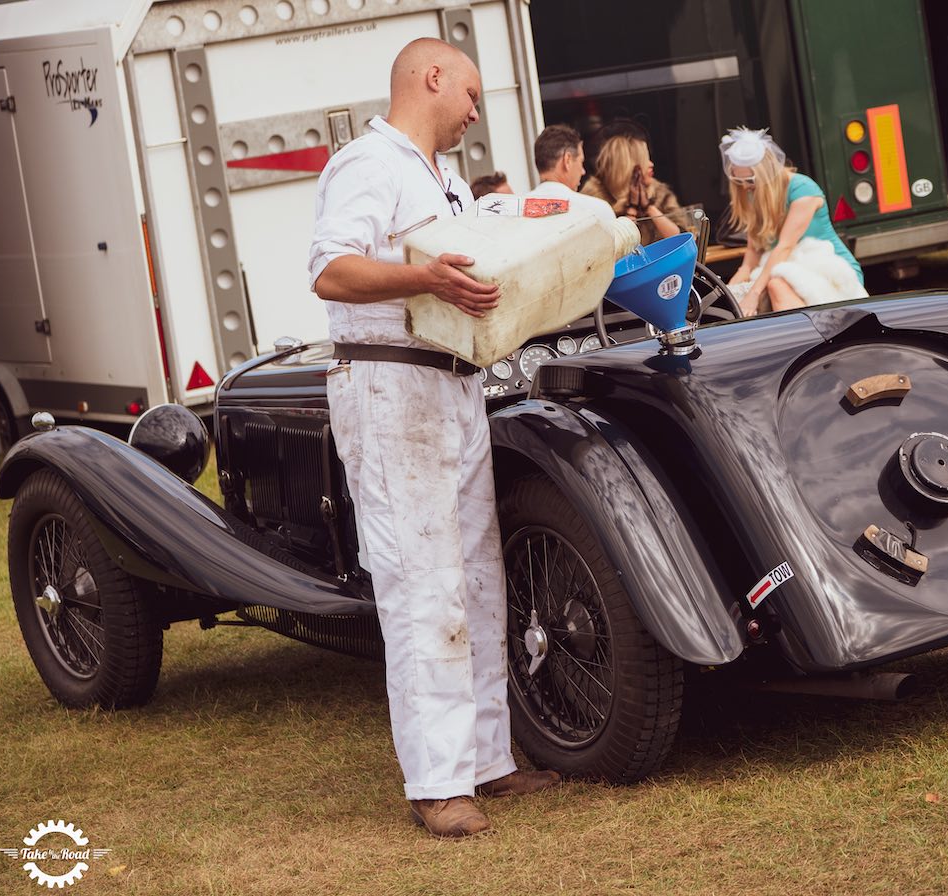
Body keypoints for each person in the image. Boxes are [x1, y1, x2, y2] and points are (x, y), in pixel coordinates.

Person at [307, 37, 559, 840]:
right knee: (424, 584)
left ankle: (488, 760)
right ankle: (438, 783)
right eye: (472, 94)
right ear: (433, 77)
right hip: (388, 386)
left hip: (452, 385)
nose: (476, 112)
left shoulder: (445, 181)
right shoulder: (368, 164)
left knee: (477, 579)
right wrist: (425, 278)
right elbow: (329, 269)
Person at [721, 127, 867, 316]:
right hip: (786, 270)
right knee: (762, 289)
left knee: (775, 284)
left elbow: (784, 247)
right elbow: (749, 262)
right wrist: (727, 296)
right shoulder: (753, 194)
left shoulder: (802, 189)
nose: (746, 187)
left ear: (766, 172)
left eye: (750, 180)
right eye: (739, 181)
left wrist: (754, 294)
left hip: (833, 273)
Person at [581, 130, 682, 244]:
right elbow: (618, 248)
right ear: (628, 166)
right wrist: (632, 208)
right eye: (644, 160)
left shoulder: (660, 193)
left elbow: (681, 238)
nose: (651, 164)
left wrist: (649, 207)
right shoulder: (596, 201)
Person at [527, 124, 615, 224]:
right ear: (567, 160)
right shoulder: (598, 211)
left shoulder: (514, 211)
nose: (583, 171)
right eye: (581, 162)